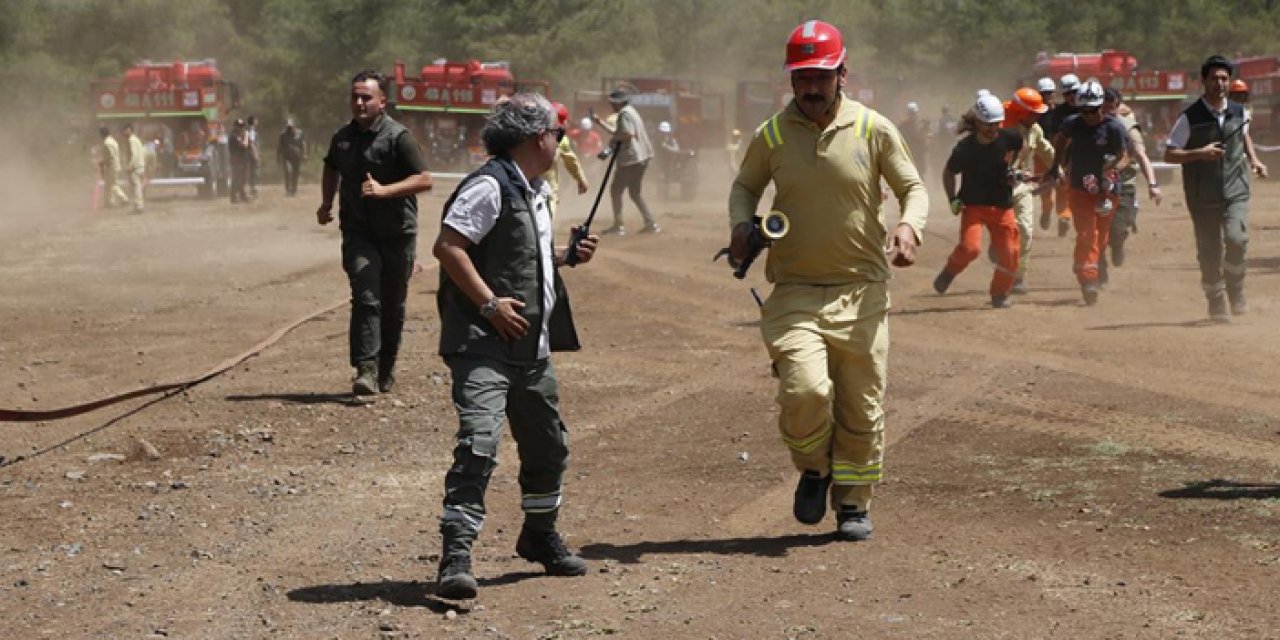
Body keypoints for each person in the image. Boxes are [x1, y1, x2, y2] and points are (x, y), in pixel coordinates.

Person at [728, 20, 927, 541]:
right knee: (805, 391)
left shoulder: (873, 128)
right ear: (790, 81)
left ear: (842, 72)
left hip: (862, 289)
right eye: (802, 78)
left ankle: (854, 503)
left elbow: (912, 186)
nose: (812, 88)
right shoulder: (771, 134)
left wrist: (909, 225)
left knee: (862, 403)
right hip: (794, 290)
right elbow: (745, 186)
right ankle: (815, 468)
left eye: (821, 76)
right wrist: (738, 225)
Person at [431, 93, 600, 600]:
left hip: (531, 348)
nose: (561, 141)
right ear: (536, 138)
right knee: (479, 444)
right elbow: (448, 246)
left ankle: (539, 535)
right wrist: (488, 304)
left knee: (548, 446)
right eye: (558, 134)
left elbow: (524, 253)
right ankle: (456, 554)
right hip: (485, 344)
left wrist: (566, 256)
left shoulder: (534, 189)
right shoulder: (489, 185)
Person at [318, 70, 433, 394]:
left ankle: (386, 368)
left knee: (393, 303)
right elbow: (331, 166)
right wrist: (326, 202)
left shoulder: (399, 137)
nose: (358, 102)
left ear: (382, 101)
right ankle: (365, 369)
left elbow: (424, 179)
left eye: (366, 97)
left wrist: (386, 191)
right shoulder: (342, 137)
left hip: (397, 233)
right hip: (358, 232)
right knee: (366, 296)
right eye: (354, 96)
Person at [1163, 55, 1268, 321]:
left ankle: (1236, 288)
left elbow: (1244, 136)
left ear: (1230, 82)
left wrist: (1255, 160)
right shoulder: (1189, 117)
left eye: (1224, 78)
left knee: (1237, 239)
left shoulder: (1238, 110)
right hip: (1202, 195)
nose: (1220, 83)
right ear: (1204, 82)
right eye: (1214, 78)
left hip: (1235, 189)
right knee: (1209, 252)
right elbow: (1169, 154)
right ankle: (1216, 300)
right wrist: (1199, 152)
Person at [933, 93, 1023, 308]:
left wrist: (1014, 171)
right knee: (970, 248)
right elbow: (948, 173)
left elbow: (1019, 150)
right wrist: (952, 198)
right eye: (988, 125)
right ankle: (950, 270)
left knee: (1010, 253)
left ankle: (1000, 294)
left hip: (1002, 205)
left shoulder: (1011, 138)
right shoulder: (965, 149)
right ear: (977, 122)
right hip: (973, 205)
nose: (994, 130)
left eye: (997, 124)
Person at [1051, 80, 1130, 305]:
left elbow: (1124, 155)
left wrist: (1113, 169)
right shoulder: (1072, 124)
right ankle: (1088, 280)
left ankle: (1093, 263)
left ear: (1101, 107)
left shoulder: (1113, 127)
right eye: (1083, 111)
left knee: (1102, 237)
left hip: (1107, 191)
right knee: (1087, 234)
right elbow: (1061, 141)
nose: (1088, 115)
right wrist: (1057, 165)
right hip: (1080, 189)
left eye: (1093, 110)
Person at [1099, 88, 1163, 283]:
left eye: (1112, 108)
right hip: (1096, 185)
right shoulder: (1090, 122)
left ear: (1118, 107)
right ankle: (1099, 271)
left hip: (1123, 185)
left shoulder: (1126, 126)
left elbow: (1141, 155)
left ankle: (1118, 243)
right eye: (1104, 108)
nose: (1108, 112)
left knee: (1116, 230)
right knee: (1095, 232)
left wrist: (1153, 184)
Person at [1000, 87, 1055, 294]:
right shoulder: (999, 128)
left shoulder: (1035, 131)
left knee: (1024, 229)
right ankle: (999, 248)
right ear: (1022, 113)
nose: (1039, 116)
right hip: (997, 187)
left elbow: (1046, 151)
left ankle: (1018, 276)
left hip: (1021, 185)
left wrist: (1059, 170)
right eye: (1035, 113)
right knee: (1004, 231)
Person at [593, 87, 659, 235]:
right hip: (641, 157)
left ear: (619, 103)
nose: (611, 106)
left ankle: (618, 225)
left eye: (613, 103)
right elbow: (620, 132)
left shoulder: (624, 114)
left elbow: (627, 134)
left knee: (616, 190)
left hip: (631, 159)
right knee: (635, 193)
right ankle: (650, 223)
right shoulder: (631, 111)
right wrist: (601, 123)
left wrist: (612, 143)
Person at [1042, 73, 1080, 236]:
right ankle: (1064, 216)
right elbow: (1053, 137)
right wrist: (1057, 159)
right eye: (1067, 94)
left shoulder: (1090, 107)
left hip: (1086, 156)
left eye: (1074, 92)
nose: (1071, 96)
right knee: (1063, 187)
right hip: (1065, 156)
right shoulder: (1058, 113)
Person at [540, 102, 589, 216]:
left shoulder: (561, 141)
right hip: (542, 190)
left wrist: (580, 178)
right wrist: (580, 179)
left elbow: (570, 160)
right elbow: (571, 161)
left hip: (544, 191)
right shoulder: (560, 140)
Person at [98, 126, 129, 208]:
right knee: (110, 184)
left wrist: (103, 162)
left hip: (111, 166)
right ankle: (110, 202)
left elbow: (110, 156)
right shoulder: (113, 141)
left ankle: (123, 198)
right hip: (114, 165)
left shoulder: (107, 143)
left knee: (112, 185)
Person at [898, 101, 929, 177]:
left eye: (913, 113)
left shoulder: (922, 126)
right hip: (908, 156)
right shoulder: (902, 127)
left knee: (920, 176)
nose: (912, 116)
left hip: (919, 156)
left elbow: (926, 141)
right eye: (911, 113)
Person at [277, 118, 307, 196]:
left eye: (290, 126)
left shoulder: (299, 133)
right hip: (286, 157)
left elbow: (303, 144)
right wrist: (278, 157)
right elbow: (280, 146)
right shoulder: (283, 134)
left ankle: (294, 189)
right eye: (288, 127)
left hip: (297, 157)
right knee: (288, 171)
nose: (289, 128)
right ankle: (287, 189)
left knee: (295, 173)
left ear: (294, 125)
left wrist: (304, 154)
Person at [122, 123, 146, 213]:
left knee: (136, 187)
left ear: (129, 130)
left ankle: (139, 206)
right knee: (137, 186)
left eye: (125, 130)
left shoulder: (131, 140)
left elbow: (134, 155)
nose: (124, 132)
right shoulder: (136, 139)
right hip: (140, 166)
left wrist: (129, 166)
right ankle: (138, 205)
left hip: (136, 167)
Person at [228, 118, 251, 203]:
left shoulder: (239, 135)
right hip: (237, 161)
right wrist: (246, 137)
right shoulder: (234, 136)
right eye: (239, 126)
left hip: (242, 160)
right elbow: (244, 145)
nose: (241, 128)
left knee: (242, 179)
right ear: (235, 126)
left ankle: (242, 196)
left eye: (242, 126)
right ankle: (234, 197)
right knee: (237, 179)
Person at [246, 115, 261, 198]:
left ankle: (253, 187)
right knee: (255, 171)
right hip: (252, 154)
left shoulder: (250, 130)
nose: (257, 121)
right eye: (256, 120)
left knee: (253, 171)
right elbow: (251, 143)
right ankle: (254, 188)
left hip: (251, 153)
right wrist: (255, 154)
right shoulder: (251, 130)